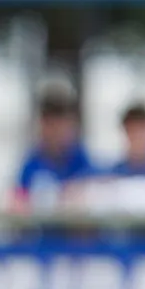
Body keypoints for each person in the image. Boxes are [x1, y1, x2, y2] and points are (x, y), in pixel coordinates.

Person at [12, 83, 95, 212]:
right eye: (50, 124)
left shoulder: (82, 160)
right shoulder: (32, 162)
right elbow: (18, 201)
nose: (55, 131)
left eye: (60, 124)